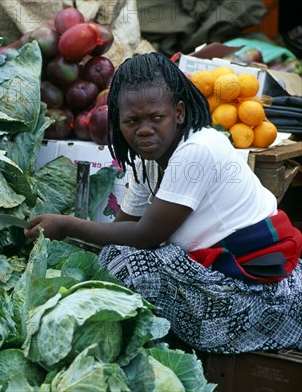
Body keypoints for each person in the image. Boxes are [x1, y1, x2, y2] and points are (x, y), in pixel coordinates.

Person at [25, 52, 302, 354]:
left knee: (127, 266)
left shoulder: (197, 150)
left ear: (179, 113)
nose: (144, 129)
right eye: (132, 121)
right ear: (119, 122)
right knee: (116, 257)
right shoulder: (148, 160)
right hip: (218, 274)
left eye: (156, 118)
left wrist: (66, 225)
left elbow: (145, 237)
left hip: (255, 293)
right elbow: (124, 228)